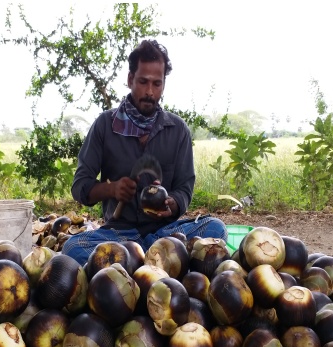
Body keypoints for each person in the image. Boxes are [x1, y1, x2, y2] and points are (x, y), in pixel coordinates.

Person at [62, 39, 228, 266]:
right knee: (71, 248)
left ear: (164, 85)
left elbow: (185, 188)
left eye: (157, 84)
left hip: (165, 231)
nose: (150, 92)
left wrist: (172, 204)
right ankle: (158, 260)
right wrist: (112, 189)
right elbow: (80, 187)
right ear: (130, 80)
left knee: (216, 228)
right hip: (119, 234)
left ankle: (136, 261)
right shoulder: (104, 125)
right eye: (143, 82)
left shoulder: (177, 130)